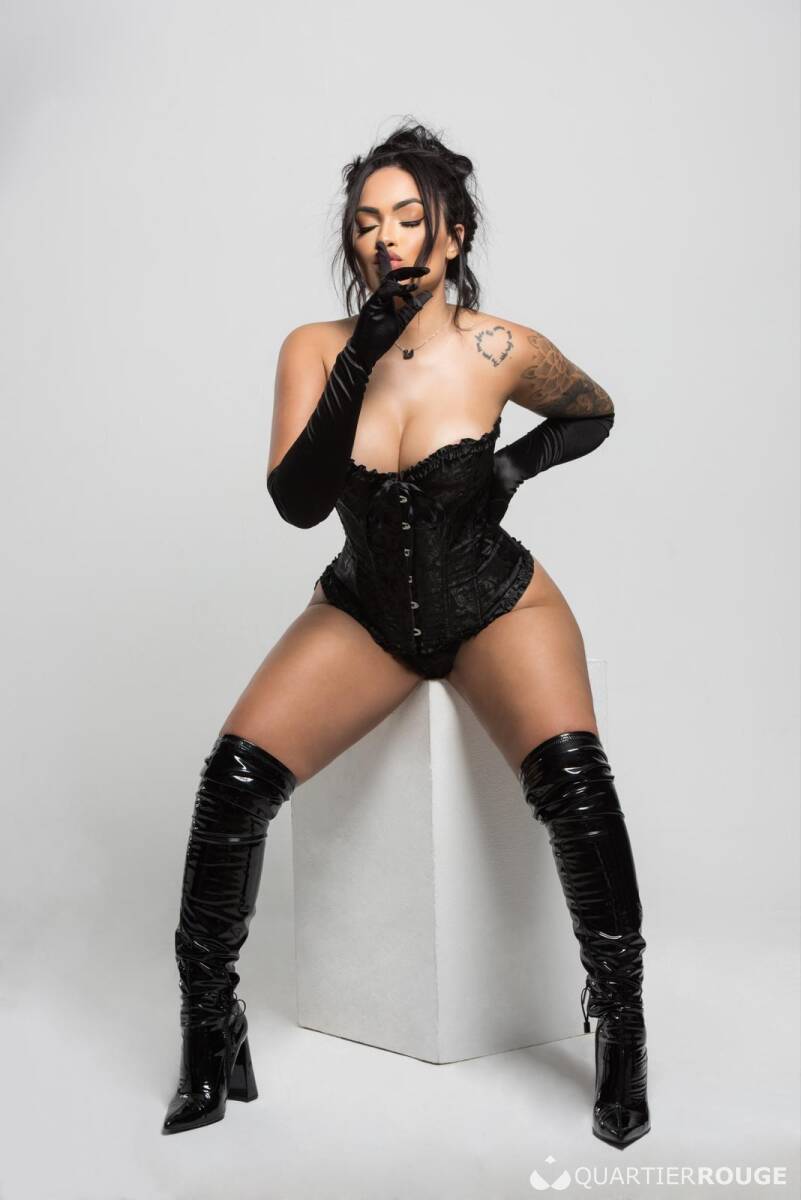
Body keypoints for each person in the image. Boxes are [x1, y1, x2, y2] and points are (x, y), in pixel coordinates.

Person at [162, 121, 650, 1150]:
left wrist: (511, 469)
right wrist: (362, 357)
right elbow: (299, 502)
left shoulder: (498, 347)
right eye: (366, 222)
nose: (385, 237)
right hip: (367, 610)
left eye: (408, 218)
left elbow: (594, 412)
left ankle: (622, 1030)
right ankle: (210, 1029)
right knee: (234, 781)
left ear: (452, 234)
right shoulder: (312, 348)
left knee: (574, 781)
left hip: (495, 600)